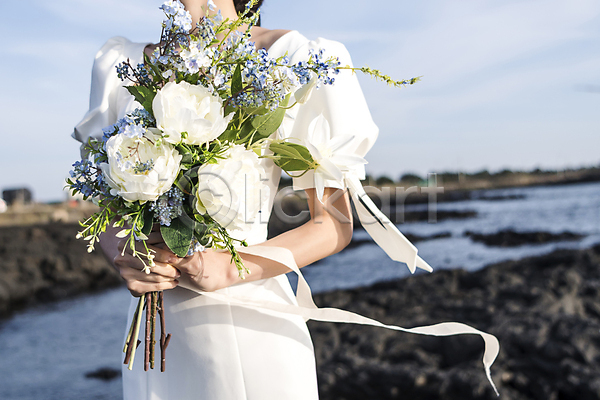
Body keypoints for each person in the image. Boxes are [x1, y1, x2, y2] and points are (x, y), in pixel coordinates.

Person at [74, 1, 498, 398]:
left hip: (248, 322)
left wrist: (226, 267)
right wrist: (124, 256)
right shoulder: (120, 66)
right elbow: (107, 209)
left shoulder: (290, 59)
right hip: (154, 343)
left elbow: (332, 224)